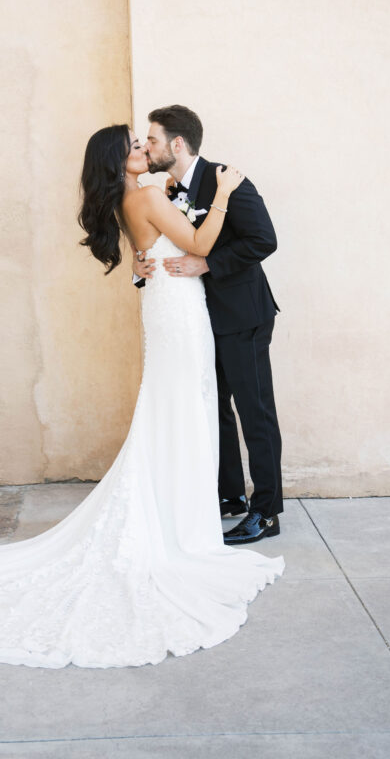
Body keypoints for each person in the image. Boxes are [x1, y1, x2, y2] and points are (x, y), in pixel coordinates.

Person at [0, 124, 283, 669]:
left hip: (189, 309)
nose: (145, 147)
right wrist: (218, 201)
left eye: (148, 140)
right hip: (180, 310)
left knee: (189, 406)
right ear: (123, 160)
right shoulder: (151, 192)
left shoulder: (142, 194)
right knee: (185, 405)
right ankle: (187, 511)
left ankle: (219, 503)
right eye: (136, 144)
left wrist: (153, 261)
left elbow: (195, 245)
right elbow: (194, 244)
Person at [133, 105, 282, 545]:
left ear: (177, 144)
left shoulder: (227, 180)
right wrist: (144, 266)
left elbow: (263, 240)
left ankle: (267, 512)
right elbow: (161, 244)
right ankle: (230, 495)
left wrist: (206, 264)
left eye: (154, 139)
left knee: (255, 413)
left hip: (243, 317)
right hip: (198, 320)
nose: (149, 146)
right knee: (213, 408)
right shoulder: (167, 187)